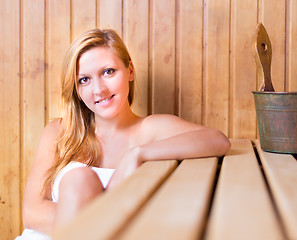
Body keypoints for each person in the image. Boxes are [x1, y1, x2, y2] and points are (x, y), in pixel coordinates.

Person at [16, 29, 230, 239]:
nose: (99, 89)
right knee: (78, 179)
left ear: (130, 71)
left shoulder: (150, 130)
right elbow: (32, 213)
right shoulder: (59, 133)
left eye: (108, 72)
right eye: (84, 80)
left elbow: (217, 140)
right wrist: (94, 221)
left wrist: (137, 153)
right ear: (77, 90)